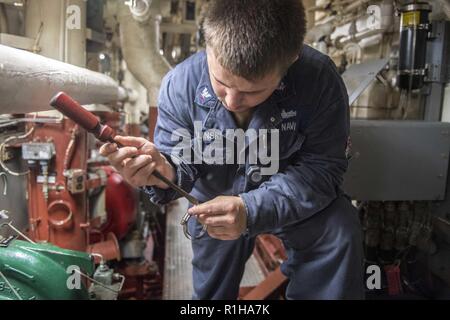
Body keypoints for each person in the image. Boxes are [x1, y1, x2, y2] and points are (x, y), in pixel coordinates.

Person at [100, 0, 364, 299]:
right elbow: (177, 162)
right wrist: (163, 170)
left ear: (291, 59)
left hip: (292, 197)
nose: (232, 101)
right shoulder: (180, 85)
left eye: (253, 91)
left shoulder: (318, 80)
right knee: (211, 293)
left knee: (339, 229)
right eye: (221, 83)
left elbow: (322, 169)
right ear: (207, 43)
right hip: (213, 201)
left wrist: (250, 209)